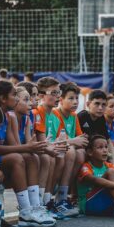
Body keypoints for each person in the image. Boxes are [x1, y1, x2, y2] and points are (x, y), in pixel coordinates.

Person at [0, 81, 54, 227]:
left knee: (30, 157)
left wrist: (30, 148)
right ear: (3, 98)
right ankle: (25, 210)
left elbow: (14, 146)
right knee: (18, 157)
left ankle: (35, 206)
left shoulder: (9, 116)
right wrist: (28, 147)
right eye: (14, 95)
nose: (17, 99)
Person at [46, 82, 88, 213]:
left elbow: (82, 139)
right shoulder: (54, 114)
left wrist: (75, 141)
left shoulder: (74, 116)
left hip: (66, 149)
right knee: (70, 151)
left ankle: (65, 194)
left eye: (77, 98)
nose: (75, 102)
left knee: (81, 153)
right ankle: (60, 197)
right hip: (56, 149)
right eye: (71, 98)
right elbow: (59, 142)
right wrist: (74, 141)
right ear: (61, 99)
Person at [34, 77, 73, 218]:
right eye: (54, 93)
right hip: (36, 152)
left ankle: (49, 200)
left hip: (47, 150)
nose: (58, 96)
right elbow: (41, 143)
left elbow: (59, 140)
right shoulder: (37, 113)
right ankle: (40, 203)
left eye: (59, 92)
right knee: (50, 156)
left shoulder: (55, 117)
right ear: (41, 95)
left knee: (63, 154)